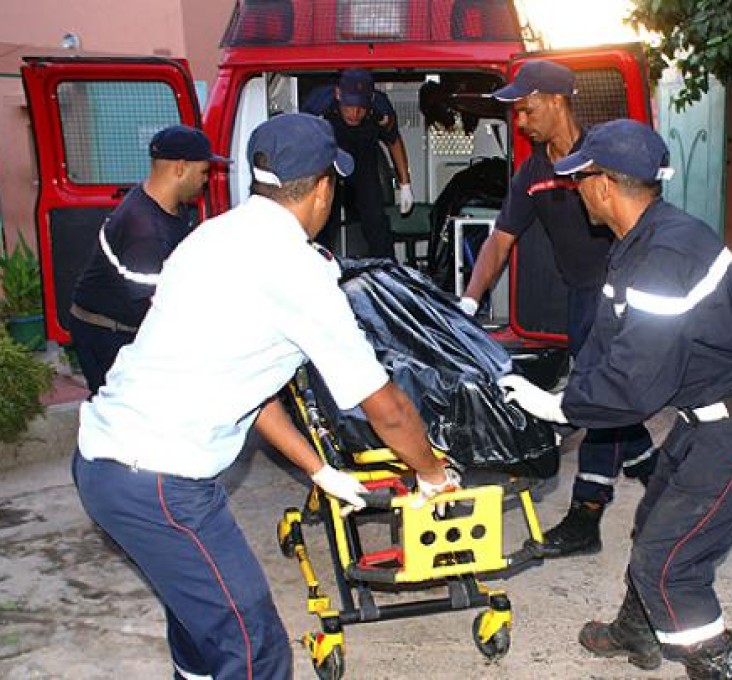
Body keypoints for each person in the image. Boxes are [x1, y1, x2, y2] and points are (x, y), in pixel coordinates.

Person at [71, 113, 460, 679]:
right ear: (324, 188)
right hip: (159, 482)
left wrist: (320, 471)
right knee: (254, 649)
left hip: (107, 464)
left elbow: (248, 390)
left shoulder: (210, 237)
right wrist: (431, 473)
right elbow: (387, 406)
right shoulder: (300, 274)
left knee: (198, 627)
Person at [498, 119, 732, 677]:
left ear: (606, 185)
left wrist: (558, 408)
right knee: (656, 515)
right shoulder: (637, 242)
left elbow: (636, 386)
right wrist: (561, 404)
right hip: (712, 412)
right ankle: (637, 634)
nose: (574, 189)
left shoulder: (666, 256)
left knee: (669, 566)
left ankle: (719, 668)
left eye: (580, 178)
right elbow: (605, 343)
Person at [458, 59, 658, 558]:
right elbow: (500, 241)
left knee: (596, 401)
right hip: (580, 299)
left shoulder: (605, 155)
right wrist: (468, 301)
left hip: (620, 295)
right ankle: (663, 482)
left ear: (556, 100)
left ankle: (585, 515)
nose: (520, 122)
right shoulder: (533, 174)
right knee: (611, 408)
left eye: (526, 110)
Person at [69, 124, 228, 394]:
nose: (206, 179)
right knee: (127, 417)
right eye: (203, 171)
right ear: (180, 168)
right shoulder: (145, 231)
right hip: (108, 336)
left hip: (121, 325)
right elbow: (157, 307)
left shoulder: (165, 205)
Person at [313, 68, 414, 259]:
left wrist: (405, 185)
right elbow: (302, 142)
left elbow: (393, 140)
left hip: (364, 160)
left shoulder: (380, 108)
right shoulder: (318, 104)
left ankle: (386, 272)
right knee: (323, 222)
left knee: (375, 220)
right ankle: (318, 271)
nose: (355, 113)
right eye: (349, 105)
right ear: (338, 94)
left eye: (361, 107)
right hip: (328, 163)